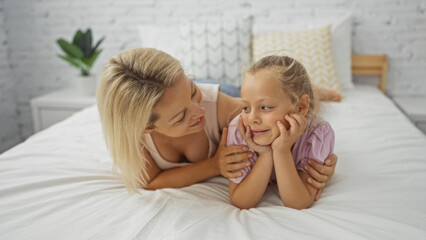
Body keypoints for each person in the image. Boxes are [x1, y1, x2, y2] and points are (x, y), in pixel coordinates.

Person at [96, 48, 337, 197]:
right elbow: (150, 181)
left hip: (223, 93)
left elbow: (286, 122)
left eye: (192, 90)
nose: (198, 110)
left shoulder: (220, 107)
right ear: (146, 127)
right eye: (180, 116)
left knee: (277, 94)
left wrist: (314, 163)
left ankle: (315, 91)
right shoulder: (133, 137)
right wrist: (214, 165)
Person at [227, 55, 335, 210]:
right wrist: (265, 154)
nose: (252, 119)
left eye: (265, 107)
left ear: (300, 107)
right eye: (246, 108)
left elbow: (298, 202)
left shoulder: (318, 133)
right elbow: (241, 201)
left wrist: (281, 151)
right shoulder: (240, 129)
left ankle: (322, 93)